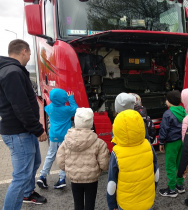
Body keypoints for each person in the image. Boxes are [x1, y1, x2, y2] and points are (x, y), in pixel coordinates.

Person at [0, 39, 48, 209]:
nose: (29, 57)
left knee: (35, 162)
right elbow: (21, 107)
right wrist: (38, 130)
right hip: (20, 133)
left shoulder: (12, 70)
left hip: (23, 131)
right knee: (20, 177)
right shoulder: (13, 72)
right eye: (29, 53)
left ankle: (27, 193)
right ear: (24, 51)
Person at [57, 108, 110, 210]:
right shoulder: (99, 143)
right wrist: (98, 170)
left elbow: (60, 161)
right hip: (92, 179)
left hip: (74, 178)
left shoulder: (67, 141)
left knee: (78, 204)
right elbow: (104, 164)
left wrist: (69, 169)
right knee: (90, 204)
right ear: (91, 123)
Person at [106, 109, 159, 210]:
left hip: (126, 204)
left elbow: (112, 183)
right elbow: (156, 173)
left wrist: (112, 205)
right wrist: (152, 190)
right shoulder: (148, 146)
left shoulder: (116, 152)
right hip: (147, 201)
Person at [37, 88, 78, 189]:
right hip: (65, 137)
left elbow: (49, 105)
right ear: (64, 99)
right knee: (65, 157)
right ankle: (61, 179)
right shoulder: (66, 110)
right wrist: (71, 98)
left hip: (53, 136)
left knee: (50, 155)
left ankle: (42, 176)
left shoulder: (49, 108)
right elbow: (76, 109)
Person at [159, 90, 186, 197]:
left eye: (166, 99)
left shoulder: (168, 113)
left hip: (171, 143)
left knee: (170, 165)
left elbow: (164, 129)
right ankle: (179, 185)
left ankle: (171, 189)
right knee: (180, 163)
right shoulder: (183, 111)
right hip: (182, 141)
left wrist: (161, 142)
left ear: (169, 101)